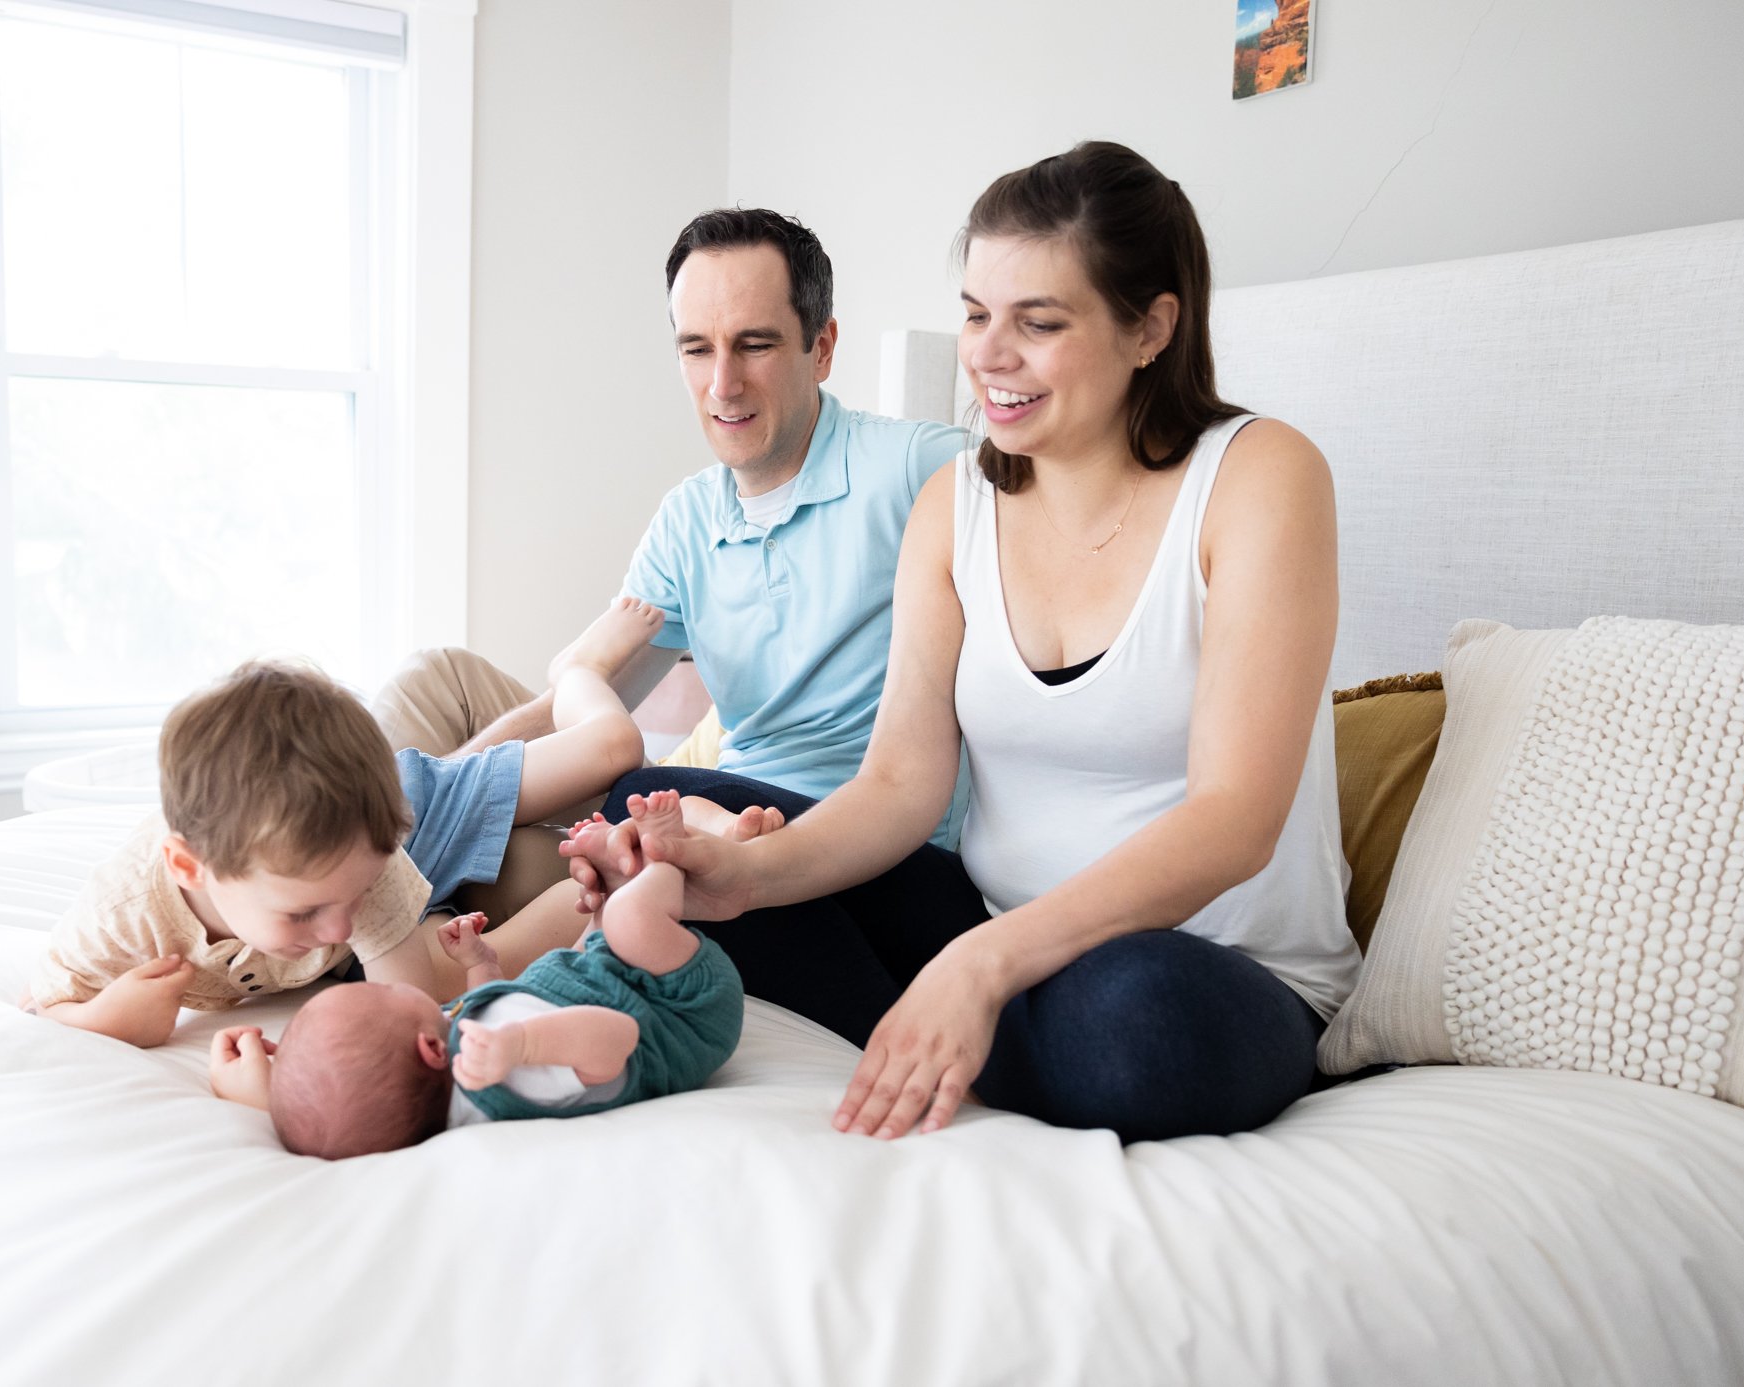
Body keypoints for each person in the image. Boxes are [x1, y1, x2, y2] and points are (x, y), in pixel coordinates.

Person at [578, 141, 1363, 1145]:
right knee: (674, 826)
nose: (989, 354)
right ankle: (943, 1018)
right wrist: (750, 876)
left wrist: (977, 967)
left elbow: (1233, 820)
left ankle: (940, 1017)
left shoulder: (1258, 477)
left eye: (1037, 323)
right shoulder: (956, 504)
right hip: (987, 928)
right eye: (976, 313)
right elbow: (901, 783)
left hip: (1206, 964)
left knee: (1138, 1022)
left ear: (1150, 327)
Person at [372, 207, 969, 933]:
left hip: (842, 848)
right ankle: (354, 842)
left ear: (823, 347)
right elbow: (583, 710)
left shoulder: (917, 470)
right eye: (696, 349)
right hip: (707, 808)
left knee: (633, 798)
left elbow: (1064, 484)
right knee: (430, 692)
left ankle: (350, 875)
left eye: (754, 345)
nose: (722, 384)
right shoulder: (689, 517)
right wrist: (435, 800)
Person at [22, 625, 745, 1044]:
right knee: (574, 903)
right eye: (304, 912)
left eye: (350, 896)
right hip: (377, 832)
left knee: (608, 753)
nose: (340, 923)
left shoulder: (357, 867)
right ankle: (635, 859)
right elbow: (42, 1002)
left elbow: (413, 1011)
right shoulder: (124, 916)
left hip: (409, 806)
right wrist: (105, 1018)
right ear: (189, 865)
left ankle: (599, 698)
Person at [208, 790, 743, 1158]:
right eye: (389, 995)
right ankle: (668, 860)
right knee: (626, 919)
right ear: (430, 1050)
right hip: (682, 1011)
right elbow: (617, 1039)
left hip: (603, 975)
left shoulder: (441, 1060)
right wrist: (523, 1046)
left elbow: (484, 1008)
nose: (397, 987)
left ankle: (617, 888)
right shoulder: (508, 1082)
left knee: (597, 918)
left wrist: (480, 967)